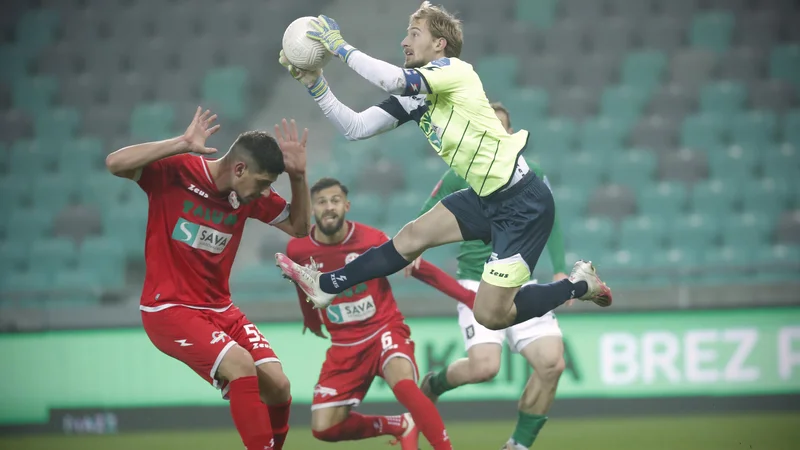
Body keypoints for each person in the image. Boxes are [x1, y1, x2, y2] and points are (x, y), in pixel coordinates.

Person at [275, 2, 611, 349]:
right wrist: (316, 85)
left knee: (491, 315)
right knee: (410, 237)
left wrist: (339, 46)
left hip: (522, 204)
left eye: (414, 34)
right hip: (485, 197)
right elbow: (355, 128)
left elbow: (391, 79)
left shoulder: (455, 71)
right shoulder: (416, 96)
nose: (405, 42)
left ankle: (580, 285)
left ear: (440, 45)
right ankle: (327, 285)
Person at [106, 107, 312, 450]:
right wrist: (182, 143)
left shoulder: (246, 195)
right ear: (241, 168)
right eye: (263, 184)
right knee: (240, 365)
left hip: (220, 308)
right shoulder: (177, 172)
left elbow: (300, 228)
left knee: (278, 385)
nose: (265, 193)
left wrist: (298, 177)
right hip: (168, 309)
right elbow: (115, 163)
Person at [406, 102, 569, 450]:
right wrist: (412, 250)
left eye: (502, 128)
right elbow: (425, 214)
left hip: (519, 279)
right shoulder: (457, 173)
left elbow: (551, 219)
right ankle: (434, 385)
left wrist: (558, 266)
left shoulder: (532, 172)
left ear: (510, 136)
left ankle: (518, 445)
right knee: (484, 368)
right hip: (475, 282)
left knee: (552, 364)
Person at [286, 177, 476, 450]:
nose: (329, 207)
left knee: (405, 387)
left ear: (347, 205)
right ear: (312, 209)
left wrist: (468, 297)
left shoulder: (371, 239)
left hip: (383, 329)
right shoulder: (298, 249)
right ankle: (399, 424)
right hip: (344, 345)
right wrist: (309, 317)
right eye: (322, 202)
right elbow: (302, 283)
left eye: (335, 201)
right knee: (323, 427)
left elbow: (421, 269)